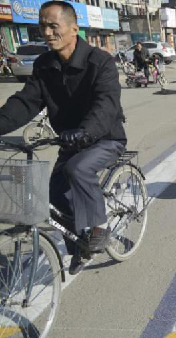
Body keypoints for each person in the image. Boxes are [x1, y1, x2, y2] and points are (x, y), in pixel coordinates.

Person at [0, 1, 127, 274]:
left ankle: (99, 226)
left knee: (77, 168)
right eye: (42, 26)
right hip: (69, 141)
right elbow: (26, 102)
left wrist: (85, 131)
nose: (47, 32)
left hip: (105, 137)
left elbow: (106, 105)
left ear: (74, 29)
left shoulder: (100, 62)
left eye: (53, 25)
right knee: (55, 193)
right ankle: (80, 244)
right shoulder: (45, 65)